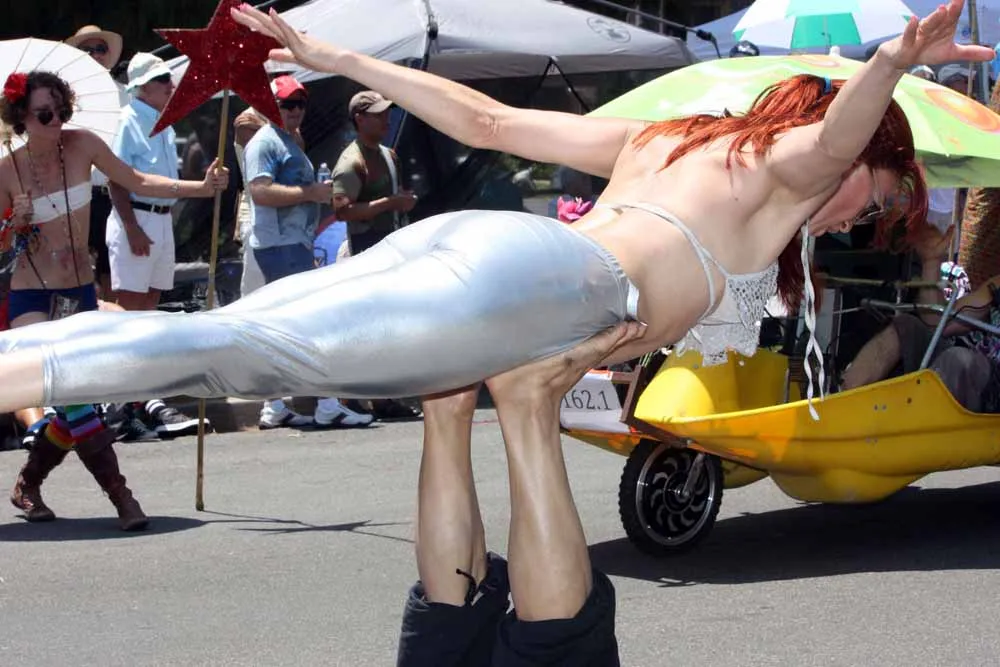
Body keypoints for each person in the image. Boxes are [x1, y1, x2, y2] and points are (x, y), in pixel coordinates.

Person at [0, 0, 987, 652]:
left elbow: (488, 123)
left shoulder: (662, 140)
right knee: (232, 351)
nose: (851, 215)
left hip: (486, 250)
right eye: (874, 195)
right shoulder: (788, 167)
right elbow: (840, 136)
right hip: (548, 281)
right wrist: (892, 64)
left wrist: (337, 58)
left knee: (247, 344)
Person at [0, 69, 229, 530]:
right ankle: (122, 497)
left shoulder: (83, 144)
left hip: (80, 290)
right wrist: (13, 221)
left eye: (61, 110)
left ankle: (28, 482)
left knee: (75, 397)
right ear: (21, 115)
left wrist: (201, 188)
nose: (56, 120)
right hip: (31, 294)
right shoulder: (7, 170)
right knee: (72, 393)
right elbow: (2, 246)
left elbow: (137, 180)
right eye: (44, 114)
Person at [243, 75, 373, 429]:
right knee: (306, 323)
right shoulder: (264, 142)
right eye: (287, 104)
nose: (295, 110)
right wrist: (310, 193)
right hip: (280, 245)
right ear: (271, 106)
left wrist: (314, 193)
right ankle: (326, 403)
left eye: (300, 104)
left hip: (292, 243)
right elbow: (260, 192)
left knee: (283, 325)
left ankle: (275, 405)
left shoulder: (288, 139)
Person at [106, 52, 206, 439]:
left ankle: (141, 402)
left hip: (160, 219)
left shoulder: (164, 122)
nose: (169, 84)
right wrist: (131, 227)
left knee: (148, 310)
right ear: (142, 87)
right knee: (129, 314)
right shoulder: (128, 119)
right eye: (162, 79)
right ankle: (124, 406)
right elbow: (116, 179)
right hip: (137, 217)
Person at [333, 90, 423, 422]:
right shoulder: (351, 162)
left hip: (392, 246)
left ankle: (385, 396)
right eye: (378, 115)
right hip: (367, 248)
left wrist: (402, 202)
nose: (386, 120)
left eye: (387, 113)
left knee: (390, 326)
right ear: (360, 119)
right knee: (369, 326)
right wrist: (390, 203)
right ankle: (361, 395)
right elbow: (342, 211)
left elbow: (393, 197)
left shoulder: (388, 155)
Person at [841, 225, 1000, 413]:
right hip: (980, 374)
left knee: (958, 360)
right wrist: (931, 262)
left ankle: (909, 426)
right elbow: (938, 322)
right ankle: (838, 406)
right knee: (905, 326)